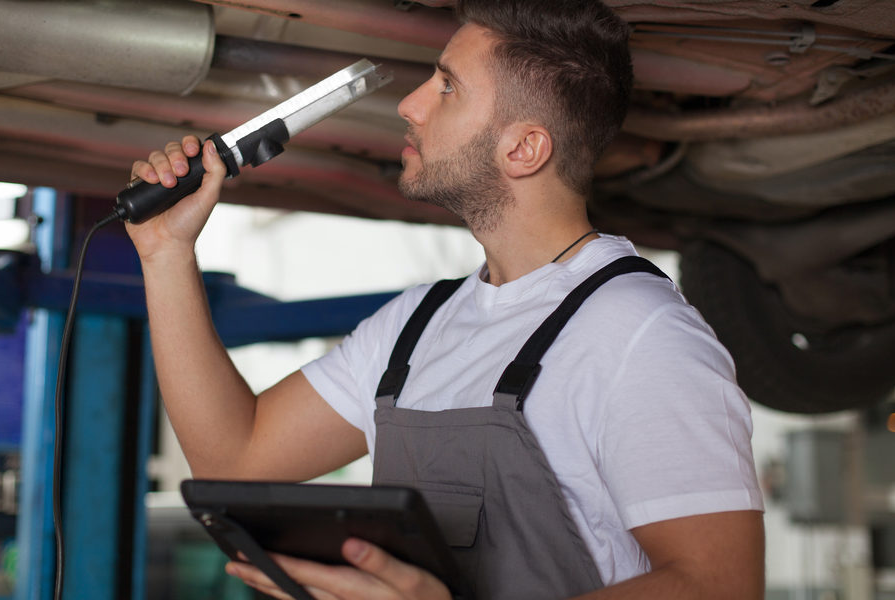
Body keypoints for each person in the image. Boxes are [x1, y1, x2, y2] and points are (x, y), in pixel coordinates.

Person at [126, 0, 765, 598]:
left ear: (524, 149)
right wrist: (166, 254)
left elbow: (721, 587)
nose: (409, 105)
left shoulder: (640, 334)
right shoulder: (416, 326)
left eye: (447, 86)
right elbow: (236, 461)